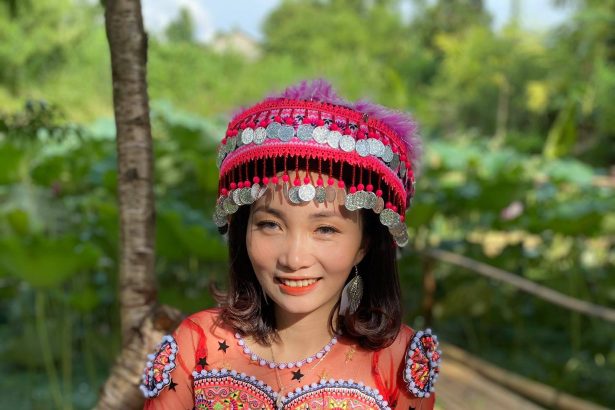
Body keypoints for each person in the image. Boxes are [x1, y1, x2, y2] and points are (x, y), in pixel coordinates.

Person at [140, 79, 441, 409]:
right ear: (243, 230)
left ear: (364, 245)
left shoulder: (400, 361)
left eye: (325, 229)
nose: (294, 258)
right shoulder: (199, 344)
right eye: (271, 225)